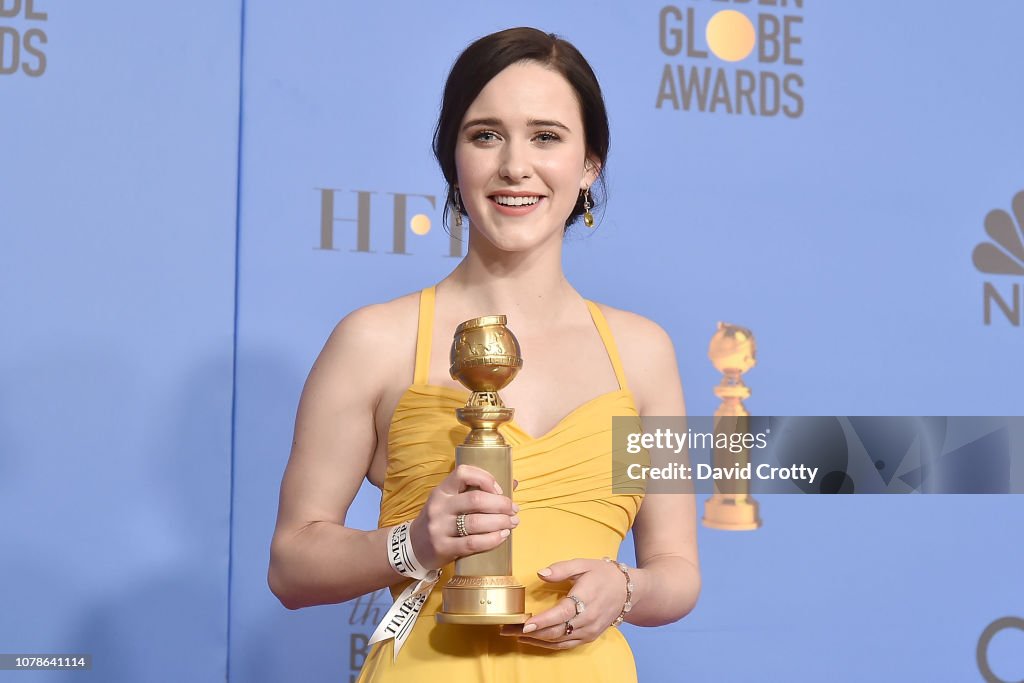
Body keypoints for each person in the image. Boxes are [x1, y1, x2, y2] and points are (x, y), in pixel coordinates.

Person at [268, 26, 699, 682]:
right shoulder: (375, 340)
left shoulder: (645, 353)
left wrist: (625, 585)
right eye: (485, 134)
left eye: (546, 136)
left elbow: (678, 570)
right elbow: (291, 566)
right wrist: (412, 543)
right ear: (453, 157)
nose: (514, 166)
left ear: (590, 164)